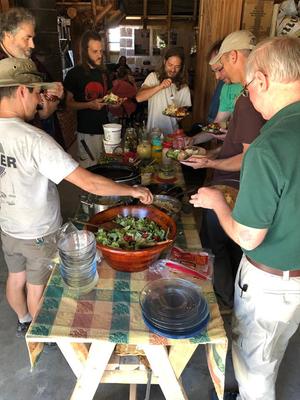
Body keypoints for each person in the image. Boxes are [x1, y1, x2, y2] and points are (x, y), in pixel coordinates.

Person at [0, 57, 153, 337]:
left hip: (8, 226)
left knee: (15, 277)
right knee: (38, 286)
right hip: (37, 231)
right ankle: (42, 333)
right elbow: (88, 182)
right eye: (36, 93)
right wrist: (132, 190)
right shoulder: (32, 139)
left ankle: (23, 320)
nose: (38, 102)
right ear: (21, 90)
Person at [190, 36, 300, 400]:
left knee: (255, 371)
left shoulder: (270, 144)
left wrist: (217, 201)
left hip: (272, 284)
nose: (249, 96)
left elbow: (249, 237)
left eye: (249, 87)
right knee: (275, 351)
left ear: (264, 80)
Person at [182, 31, 265, 311]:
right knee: (226, 244)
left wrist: (210, 163)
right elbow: (238, 145)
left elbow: (247, 157)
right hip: (234, 182)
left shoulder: (249, 101)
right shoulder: (249, 97)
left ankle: (223, 303)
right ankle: (230, 296)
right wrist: (213, 153)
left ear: (234, 56)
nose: (218, 76)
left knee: (214, 243)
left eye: (220, 68)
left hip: (233, 186)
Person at [0, 7, 66, 149]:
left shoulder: (29, 59)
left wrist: (54, 96)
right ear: (8, 35)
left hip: (41, 133)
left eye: (33, 38)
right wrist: (44, 111)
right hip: (16, 145)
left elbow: (47, 85)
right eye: (27, 38)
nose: (32, 45)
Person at [64, 30, 112, 167]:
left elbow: (108, 95)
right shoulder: (74, 74)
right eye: (95, 51)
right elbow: (68, 104)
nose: (100, 55)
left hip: (105, 128)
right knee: (91, 171)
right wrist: (89, 105)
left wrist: (112, 101)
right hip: (86, 131)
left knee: (106, 168)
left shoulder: (103, 72)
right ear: (85, 51)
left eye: (101, 51)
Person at [136, 46, 191, 135]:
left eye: (177, 67)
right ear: (165, 62)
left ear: (181, 67)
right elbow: (139, 98)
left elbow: (183, 113)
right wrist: (160, 86)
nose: (173, 70)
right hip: (153, 133)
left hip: (173, 134)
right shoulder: (153, 77)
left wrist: (179, 113)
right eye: (170, 65)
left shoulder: (184, 87)